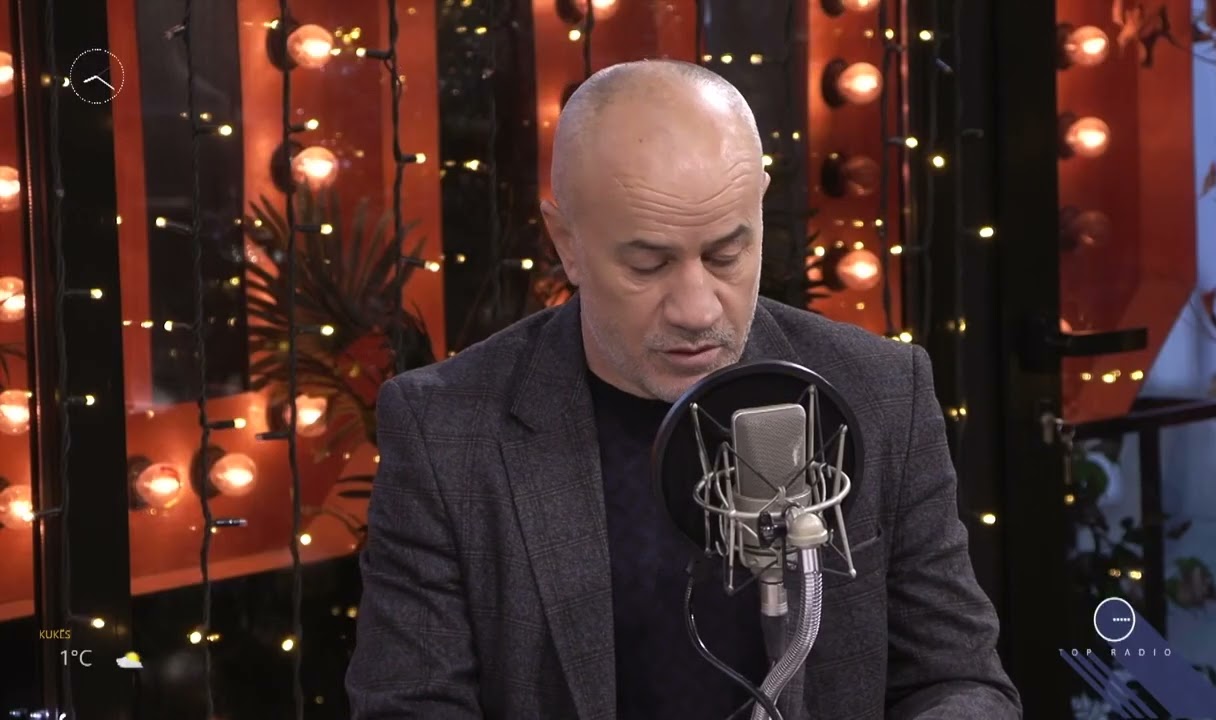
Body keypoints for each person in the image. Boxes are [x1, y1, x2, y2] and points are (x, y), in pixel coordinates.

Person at [346, 59, 1021, 719]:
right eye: (648, 265)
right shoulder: (445, 430)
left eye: (727, 255)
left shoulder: (882, 389)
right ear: (567, 243)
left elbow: (958, 679)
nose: (698, 310)